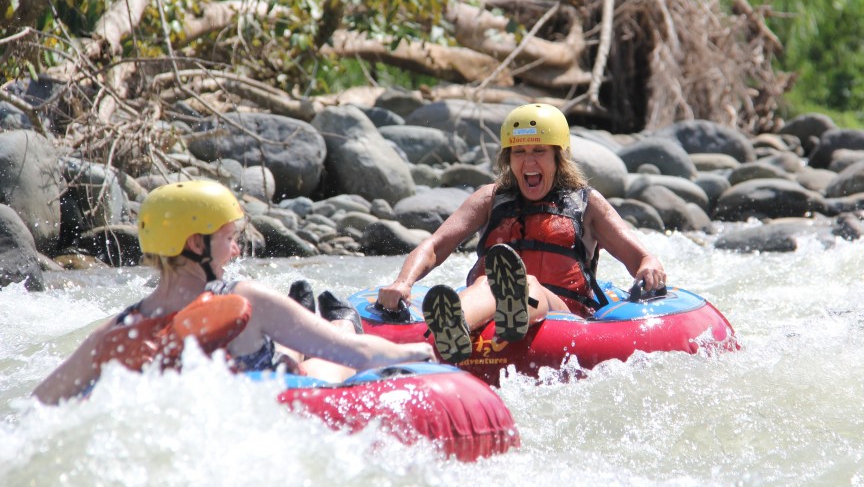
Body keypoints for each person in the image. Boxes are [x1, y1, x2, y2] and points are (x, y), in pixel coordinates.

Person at [33, 180, 433, 405]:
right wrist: (418, 353)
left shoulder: (119, 330)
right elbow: (354, 356)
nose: (237, 250)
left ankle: (299, 320)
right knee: (315, 368)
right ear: (195, 243)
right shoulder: (247, 299)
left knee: (290, 360)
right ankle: (341, 322)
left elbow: (41, 401)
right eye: (230, 238)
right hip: (278, 391)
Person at [377, 103, 668, 363]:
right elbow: (435, 246)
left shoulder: (587, 203)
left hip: (562, 312)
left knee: (526, 285)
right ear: (508, 158)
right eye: (519, 152)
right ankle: (454, 328)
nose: (528, 162)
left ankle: (515, 310)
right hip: (495, 297)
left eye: (539, 151)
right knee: (488, 284)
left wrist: (650, 269)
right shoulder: (489, 199)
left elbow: (641, 258)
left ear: (558, 157)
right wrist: (404, 282)